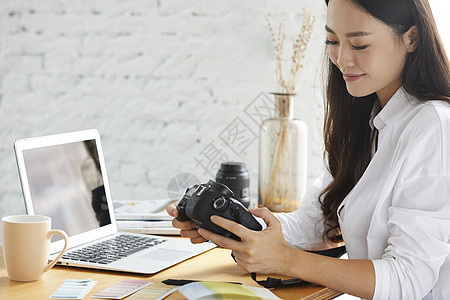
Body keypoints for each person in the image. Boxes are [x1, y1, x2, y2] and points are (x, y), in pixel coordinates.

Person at [167, 0, 450, 298]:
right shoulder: (365, 119)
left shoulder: (434, 125)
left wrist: (287, 260)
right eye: (332, 41)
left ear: (412, 38)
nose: (341, 59)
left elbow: (408, 278)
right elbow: (317, 221)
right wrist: (235, 226)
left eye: (360, 45)